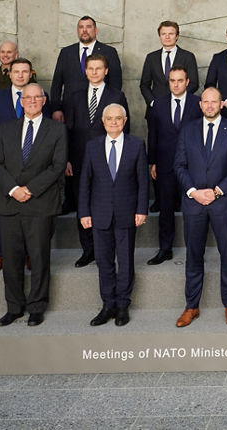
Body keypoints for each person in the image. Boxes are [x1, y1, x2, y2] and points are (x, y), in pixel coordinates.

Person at [0, 83, 68, 326]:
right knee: (11, 260)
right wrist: (14, 189)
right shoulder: (6, 129)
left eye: (38, 97)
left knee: (39, 257)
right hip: (9, 202)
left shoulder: (57, 130)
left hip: (40, 203)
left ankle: (36, 307)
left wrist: (30, 189)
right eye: (28, 97)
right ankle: (14, 307)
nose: (33, 101)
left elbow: (58, 166)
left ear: (44, 101)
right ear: (21, 102)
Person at [174, 87, 227, 328]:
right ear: (200, 104)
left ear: (220, 104)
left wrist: (215, 191)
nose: (209, 105)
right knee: (194, 255)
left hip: (223, 202)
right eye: (206, 101)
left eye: (214, 101)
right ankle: (191, 306)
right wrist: (194, 192)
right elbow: (180, 165)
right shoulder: (188, 129)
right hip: (194, 203)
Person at [78, 104, 149, 327]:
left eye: (118, 118)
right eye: (109, 118)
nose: (114, 122)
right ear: (103, 121)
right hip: (99, 214)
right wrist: (84, 212)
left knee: (126, 261)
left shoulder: (136, 145)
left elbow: (143, 182)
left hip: (127, 212)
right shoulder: (92, 146)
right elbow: (85, 182)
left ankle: (122, 305)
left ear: (125, 121)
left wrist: (141, 209)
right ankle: (107, 304)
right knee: (103, 261)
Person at [61, 53, 129, 267]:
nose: (94, 72)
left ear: (106, 71)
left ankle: (108, 249)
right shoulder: (74, 96)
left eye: (98, 68)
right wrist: (67, 159)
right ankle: (88, 250)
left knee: (107, 205)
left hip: (109, 161)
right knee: (84, 206)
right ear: (85, 71)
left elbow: (126, 129)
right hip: (80, 161)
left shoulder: (117, 95)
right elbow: (67, 131)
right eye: (90, 68)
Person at [0, 57, 45, 273]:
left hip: (33, 166)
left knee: (31, 212)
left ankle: (28, 253)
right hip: (3, 167)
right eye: (16, 71)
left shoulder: (40, 97)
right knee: (4, 212)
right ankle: (2, 255)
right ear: (9, 74)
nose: (20, 75)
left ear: (31, 74)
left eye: (24, 71)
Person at [145, 64, 201, 265]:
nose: (176, 84)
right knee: (166, 209)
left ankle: (194, 249)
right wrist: (152, 162)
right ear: (168, 82)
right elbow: (153, 135)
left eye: (180, 80)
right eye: (172, 81)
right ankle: (165, 249)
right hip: (165, 163)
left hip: (192, 166)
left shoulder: (198, 103)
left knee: (192, 209)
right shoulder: (158, 104)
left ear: (187, 82)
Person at [50, 15, 123, 122]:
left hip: (99, 110)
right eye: (81, 27)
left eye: (88, 27)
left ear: (96, 30)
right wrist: (56, 109)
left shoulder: (109, 52)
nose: (84, 30)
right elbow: (57, 83)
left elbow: (116, 83)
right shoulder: (66, 52)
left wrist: (110, 108)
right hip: (70, 111)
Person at [139, 20, 200, 122]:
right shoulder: (151, 57)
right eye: (164, 34)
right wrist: (153, 102)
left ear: (177, 36)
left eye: (171, 34)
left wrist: (178, 98)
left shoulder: (188, 56)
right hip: (156, 110)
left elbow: (194, 83)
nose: (167, 37)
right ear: (160, 36)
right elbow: (144, 85)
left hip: (181, 108)